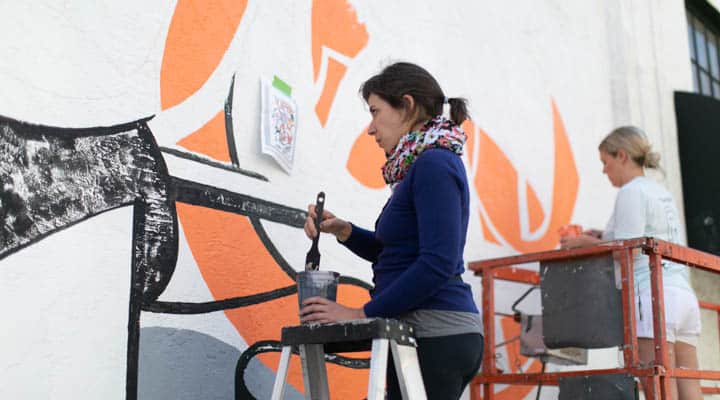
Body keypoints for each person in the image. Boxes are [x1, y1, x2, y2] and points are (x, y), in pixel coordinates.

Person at [300, 62, 483, 399]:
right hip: (421, 332)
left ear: (407, 105)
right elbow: (399, 254)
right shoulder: (420, 166)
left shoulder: (434, 164)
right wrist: (345, 232)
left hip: (436, 334)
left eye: (375, 112)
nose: (370, 128)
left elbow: (437, 263)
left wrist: (361, 313)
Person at [560, 126, 702, 400]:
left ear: (622, 156)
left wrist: (584, 244)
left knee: (659, 387)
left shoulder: (630, 192)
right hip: (683, 295)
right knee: (689, 385)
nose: (604, 170)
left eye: (605, 162)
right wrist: (603, 236)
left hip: (651, 296)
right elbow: (642, 236)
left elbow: (626, 251)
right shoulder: (660, 192)